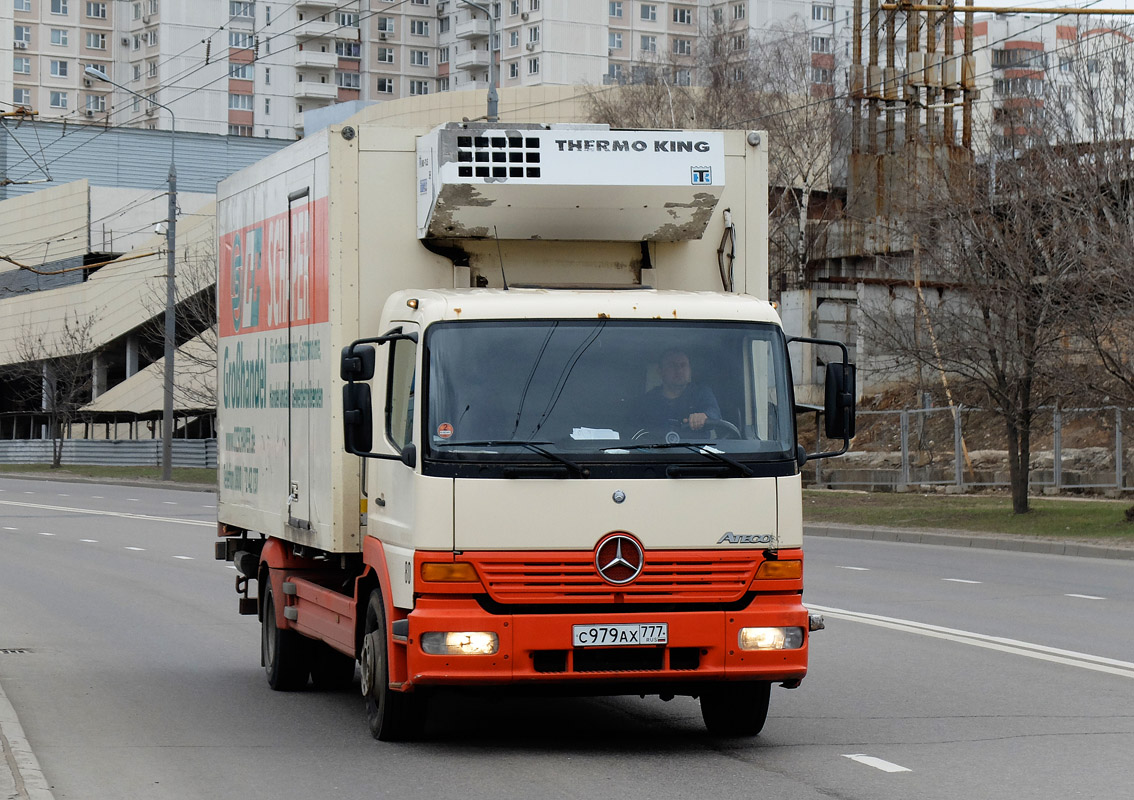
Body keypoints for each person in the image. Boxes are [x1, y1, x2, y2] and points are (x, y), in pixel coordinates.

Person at [639, 349, 721, 433]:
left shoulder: (702, 393)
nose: (679, 370)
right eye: (672, 365)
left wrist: (704, 416)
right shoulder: (647, 401)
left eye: (683, 365)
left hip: (697, 446)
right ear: (660, 371)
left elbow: (715, 414)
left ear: (690, 370)